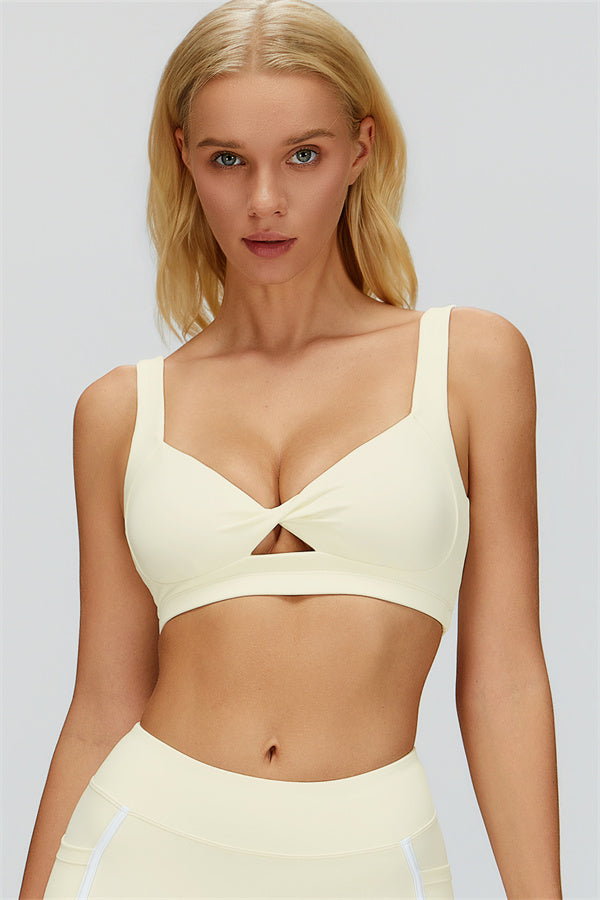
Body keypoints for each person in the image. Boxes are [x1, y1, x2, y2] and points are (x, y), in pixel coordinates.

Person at [19, 0, 562, 897]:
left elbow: (504, 678)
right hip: (138, 846)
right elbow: (102, 703)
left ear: (361, 149)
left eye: (302, 155)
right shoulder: (119, 411)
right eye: (227, 159)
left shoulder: (471, 363)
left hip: (371, 856)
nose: (264, 201)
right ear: (185, 158)